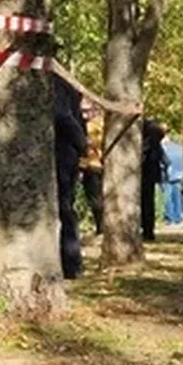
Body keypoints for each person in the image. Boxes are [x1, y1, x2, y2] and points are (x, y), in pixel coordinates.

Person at [53, 64, 87, 279]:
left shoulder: (54, 83)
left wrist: (82, 144)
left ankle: (70, 262)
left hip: (61, 152)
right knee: (65, 208)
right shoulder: (67, 83)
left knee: (63, 208)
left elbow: (62, 116)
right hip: (68, 152)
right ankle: (70, 262)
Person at [79, 102, 105, 235]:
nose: (85, 114)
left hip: (94, 165)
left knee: (96, 198)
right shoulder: (99, 125)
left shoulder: (94, 126)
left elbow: (88, 145)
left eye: (87, 111)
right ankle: (100, 226)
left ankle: (101, 227)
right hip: (91, 165)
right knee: (96, 198)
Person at [140, 120, 166, 241]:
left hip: (144, 171)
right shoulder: (156, 143)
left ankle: (147, 230)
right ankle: (148, 230)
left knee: (145, 202)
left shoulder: (146, 142)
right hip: (151, 172)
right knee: (148, 202)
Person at [162, 133, 183, 226]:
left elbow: (164, 161)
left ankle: (170, 217)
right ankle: (178, 216)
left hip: (167, 176)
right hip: (178, 175)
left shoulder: (164, 148)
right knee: (177, 197)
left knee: (167, 198)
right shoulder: (179, 148)